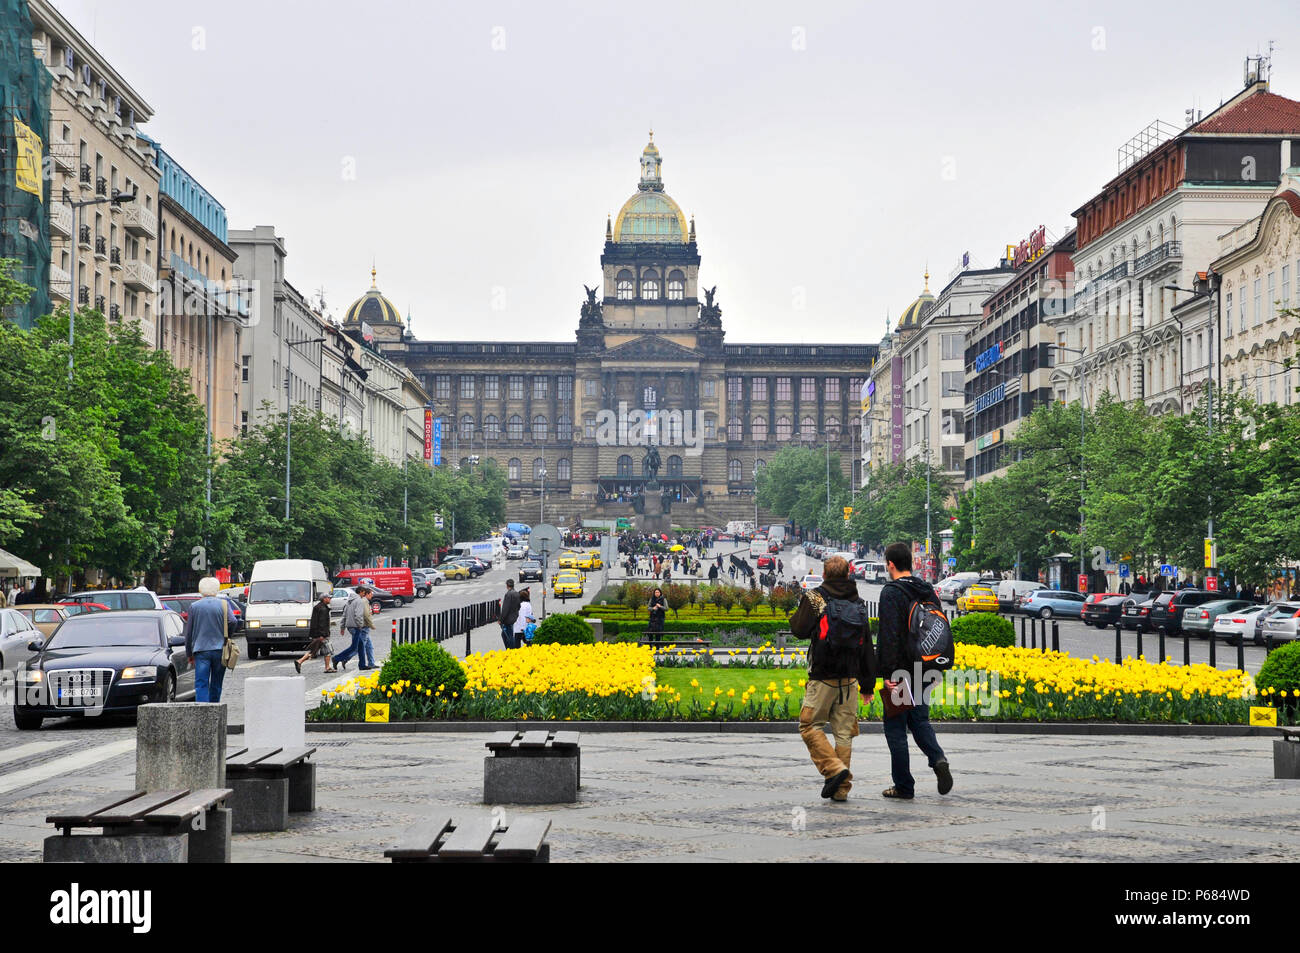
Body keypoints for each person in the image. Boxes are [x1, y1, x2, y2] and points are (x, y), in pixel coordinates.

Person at [789, 555, 876, 801]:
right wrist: (867, 684)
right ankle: (840, 790)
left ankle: (834, 769)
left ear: (825, 575)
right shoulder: (858, 601)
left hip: (822, 675)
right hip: (849, 679)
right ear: (848, 575)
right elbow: (867, 645)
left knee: (809, 725)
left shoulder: (817, 597)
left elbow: (798, 629)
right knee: (844, 732)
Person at [877, 541, 952, 800]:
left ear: (891, 565)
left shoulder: (891, 593)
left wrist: (887, 674)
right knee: (919, 720)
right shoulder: (926, 589)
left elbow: (888, 637)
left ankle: (904, 786)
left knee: (896, 727)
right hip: (926, 665)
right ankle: (938, 758)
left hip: (900, 671)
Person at [184, 575, 241, 703]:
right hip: (220, 649)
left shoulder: (194, 606)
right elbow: (233, 621)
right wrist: (227, 636)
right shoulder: (224, 604)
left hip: (201, 650)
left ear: (200, 589)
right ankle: (215, 709)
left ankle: (203, 711)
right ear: (216, 589)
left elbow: (189, 633)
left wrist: (189, 653)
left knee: (201, 683)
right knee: (216, 683)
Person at [334, 585, 373, 671]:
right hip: (356, 626)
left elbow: (344, 615)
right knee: (354, 647)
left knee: (361, 646)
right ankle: (336, 658)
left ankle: (362, 665)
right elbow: (358, 615)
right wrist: (360, 625)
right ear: (361, 592)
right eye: (363, 592)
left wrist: (342, 627)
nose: (364, 594)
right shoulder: (359, 601)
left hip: (350, 626)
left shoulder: (349, 601)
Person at [295, 591, 335, 673]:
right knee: (328, 650)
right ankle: (327, 667)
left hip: (317, 633)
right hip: (322, 634)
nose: (330, 599)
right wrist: (323, 634)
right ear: (324, 599)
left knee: (314, 650)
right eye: (328, 598)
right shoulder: (323, 609)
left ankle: (300, 661)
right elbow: (322, 623)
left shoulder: (318, 607)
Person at [498, 578, 521, 649]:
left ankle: (512, 650)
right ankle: (509, 648)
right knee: (504, 634)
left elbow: (505, 608)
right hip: (514, 617)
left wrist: (501, 620)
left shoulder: (508, 594)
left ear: (507, 585)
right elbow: (519, 606)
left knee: (509, 635)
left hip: (508, 619)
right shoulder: (516, 593)